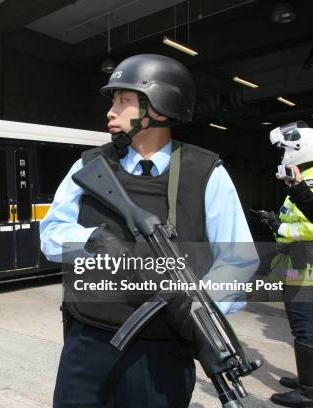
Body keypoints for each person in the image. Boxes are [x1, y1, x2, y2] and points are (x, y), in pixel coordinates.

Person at [40, 54, 258, 408]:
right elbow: (50, 235)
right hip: (87, 344)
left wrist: (198, 306)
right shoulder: (89, 166)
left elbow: (238, 257)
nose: (110, 111)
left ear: (158, 108)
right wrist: (93, 240)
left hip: (162, 354)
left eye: (123, 101)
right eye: (113, 101)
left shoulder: (206, 172)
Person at [255, 121, 313, 407]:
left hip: (307, 268)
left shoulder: (309, 181)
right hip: (298, 263)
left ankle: (309, 391)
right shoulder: (303, 179)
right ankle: (307, 378)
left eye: (285, 150)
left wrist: (281, 229)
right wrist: (277, 222)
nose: (282, 157)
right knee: (303, 326)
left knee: (305, 327)